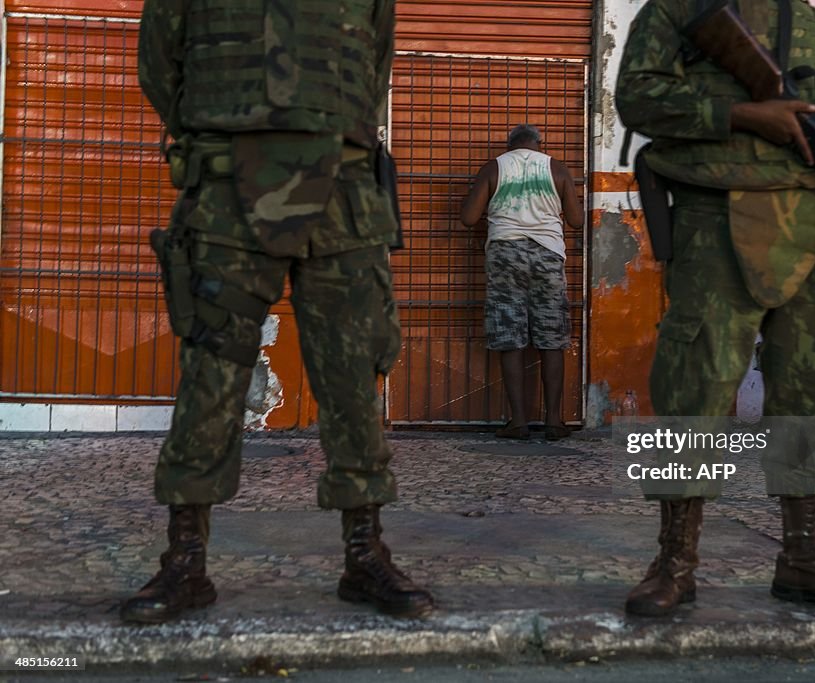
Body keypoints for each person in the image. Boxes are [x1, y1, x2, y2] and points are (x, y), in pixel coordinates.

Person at [121, 0, 433, 623]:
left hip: (342, 190)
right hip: (226, 186)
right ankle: (185, 559)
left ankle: (364, 553)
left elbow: (374, 59)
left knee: (351, 379)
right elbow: (159, 64)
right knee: (211, 376)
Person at [615, 0, 815, 617]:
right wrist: (743, 114)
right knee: (695, 384)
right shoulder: (675, 11)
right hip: (711, 215)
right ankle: (674, 560)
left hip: (810, 223)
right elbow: (634, 99)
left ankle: (806, 557)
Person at [460, 125, 584, 441]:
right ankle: (554, 421)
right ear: (539, 144)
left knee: (510, 337)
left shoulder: (494, 167)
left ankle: (518, 422)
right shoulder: (556, 168)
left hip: (505, 253)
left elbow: (469, 218)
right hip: (547, 254)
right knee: (551, 338)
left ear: (510, 145)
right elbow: (577, 220)